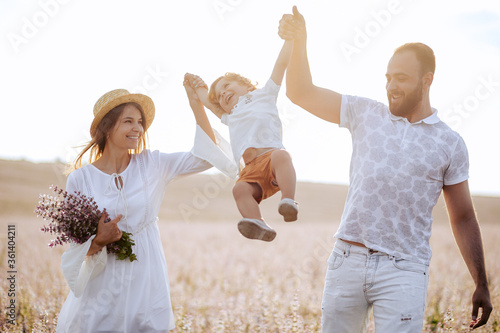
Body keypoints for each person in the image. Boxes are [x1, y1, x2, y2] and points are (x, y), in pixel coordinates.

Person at [279, 6, 492, 332]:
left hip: (404, 269)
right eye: (388, 78)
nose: (391, 86)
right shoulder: (365, 113)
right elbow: (300, 92)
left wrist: (481, 282)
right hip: (346, 260)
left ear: (427, 80)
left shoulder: (449, 143)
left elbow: (463, 217)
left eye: (402, 79)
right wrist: (299, 42)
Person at [55, 79, 236, 332]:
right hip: (103, 279)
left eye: (140, 122)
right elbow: (75, 247)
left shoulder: (153, 164)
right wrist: (98, 240)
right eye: (128, 121)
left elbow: (206, 156)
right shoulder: (80, 178)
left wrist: (195, 103)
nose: (137, 128)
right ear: (107, 127)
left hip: (146, 273)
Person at [184, 39, 298, 242]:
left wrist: (290, 39)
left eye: (227, 86)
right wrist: (195, 83)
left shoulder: (265, 95)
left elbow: (281, 64)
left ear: (246, 84)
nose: (224, 93)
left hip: (272, 161)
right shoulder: (230, 115)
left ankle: (288, 201)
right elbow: (207, 102)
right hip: (250, 171)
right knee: (239, 189)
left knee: (282, 155)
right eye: (220, 95)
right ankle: (258, 224)